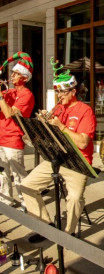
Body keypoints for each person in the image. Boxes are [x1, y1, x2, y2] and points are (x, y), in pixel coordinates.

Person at [21, 58, 96, 243]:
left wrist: (61, 127)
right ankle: (46, 226)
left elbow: (83, 143)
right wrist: (42, 126)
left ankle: (68, 235)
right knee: (26, 186)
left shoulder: (85, 110)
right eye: (57, 91)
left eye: (62, 91)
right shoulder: (58, 108)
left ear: (73, 91)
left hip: (78, 162)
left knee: (75, 198)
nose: (59, 96)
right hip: (56, 157)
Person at [0, 52, 35, 212]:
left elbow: (9, 114)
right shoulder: (9, 92)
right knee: (2, 175)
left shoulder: (26, 94)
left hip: (13, 139)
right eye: (12, 72)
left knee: (19, 175)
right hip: (1, 137)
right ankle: (6, 202)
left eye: (16, 73)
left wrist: (1, 98)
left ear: (25, 78)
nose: (12, 75)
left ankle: (27, 205)